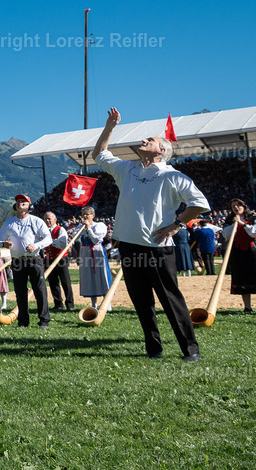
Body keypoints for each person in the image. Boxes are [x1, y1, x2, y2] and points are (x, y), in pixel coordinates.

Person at [93, 107, 209, 361]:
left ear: (161, 151)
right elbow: (99, 154)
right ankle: (153, 348)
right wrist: (110, 127)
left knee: (170, 299)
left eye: (151, 140)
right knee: (141, 301)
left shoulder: (172, 176)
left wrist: (176, 225)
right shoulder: (127, 169)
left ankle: (190, 350)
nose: (144, 140)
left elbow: (199, 203)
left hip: (158, 247)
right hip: (128, 245)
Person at [0, 194, 52, 328]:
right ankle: (23, 321)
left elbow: (48, 239)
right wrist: (4, 244)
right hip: (17, 260)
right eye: (18, 201)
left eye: (24, 202)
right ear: (15, 206)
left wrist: (36, 245)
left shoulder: (36, 221)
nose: (20, 203)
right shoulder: (9, 223)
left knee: (40, 290)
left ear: (29, 206)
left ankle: (44, 320)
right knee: (20, 292)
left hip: (34, 259)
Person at [74, 207, 113, 310]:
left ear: (93, 215)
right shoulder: (79, 226)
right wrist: (81, 229)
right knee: (89, 277)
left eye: (87, 214)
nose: (85, 217)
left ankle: (106, 303)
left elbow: (96, 240)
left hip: (97, 251)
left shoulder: (100, 226)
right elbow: (75, 238)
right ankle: (94, 304)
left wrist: (88, 228)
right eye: (83, 215)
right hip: (85, 252)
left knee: (102, 275)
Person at [223, 199, 256, 313]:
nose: (236, 208)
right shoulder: (229, 220)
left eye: (238, 205)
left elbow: (254, 233)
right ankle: (247, 307)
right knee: (242, 279)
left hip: (253, 250)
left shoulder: (253, 217)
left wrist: (242, 223)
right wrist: (234, 224)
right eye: (233, 206)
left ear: (243, 206)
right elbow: (225, 235)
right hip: (238, 252)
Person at [43, 211, 74, 312]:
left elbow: (63, 244)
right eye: (46, 219)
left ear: (55, 220)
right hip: (49, 259)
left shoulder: (61, 230)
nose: (47, 221)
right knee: (53, 282)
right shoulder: (44, 231)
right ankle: (58, 303)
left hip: (61, 259)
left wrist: (50, 241)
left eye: (49, 219)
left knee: (65, 282)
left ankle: (70, 304)